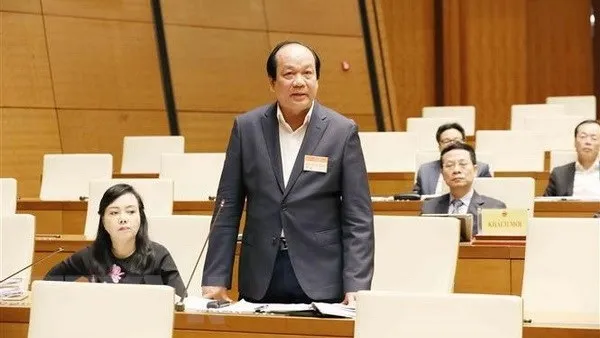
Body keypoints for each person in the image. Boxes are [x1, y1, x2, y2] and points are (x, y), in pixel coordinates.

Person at [201, 41, 374, 305]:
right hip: (260, 273)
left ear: (317, 80)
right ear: (272, 82)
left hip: (321, 274)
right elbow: (227, 207)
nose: (299, 82)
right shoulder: (247, 128)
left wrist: (357, 285)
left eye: (307, 73)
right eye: (289, 74)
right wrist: (215, 276)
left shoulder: (341, 131)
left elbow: (358, 217)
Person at [45, 183, 186, 297]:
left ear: (140, 218)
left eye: (131, 211)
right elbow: (48, 284)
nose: (123, 218)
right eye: (114, 213)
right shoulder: (90, 256)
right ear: (103, 221)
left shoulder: (158, 256)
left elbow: (181, 302)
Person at [421, 142, 506, 234]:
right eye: (449, 165)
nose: (456, 170)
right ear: (442, 174)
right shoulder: (429, 207)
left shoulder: (493, 208)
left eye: (463, 164)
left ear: (475, 170)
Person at [413, 123, 492, 195]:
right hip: (434, 210)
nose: (452, 143)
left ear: (464, 143)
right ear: (439, 146)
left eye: (456, 140)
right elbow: (416, 197)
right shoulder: (425, 170)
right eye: (446, 141)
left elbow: (487, 197)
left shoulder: (481, 168)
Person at [544, 119, 600, 197]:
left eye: (594, 138)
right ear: (575, 142)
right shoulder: (559, 174)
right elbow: (546, 206)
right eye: (583, 137)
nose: (588, 142)